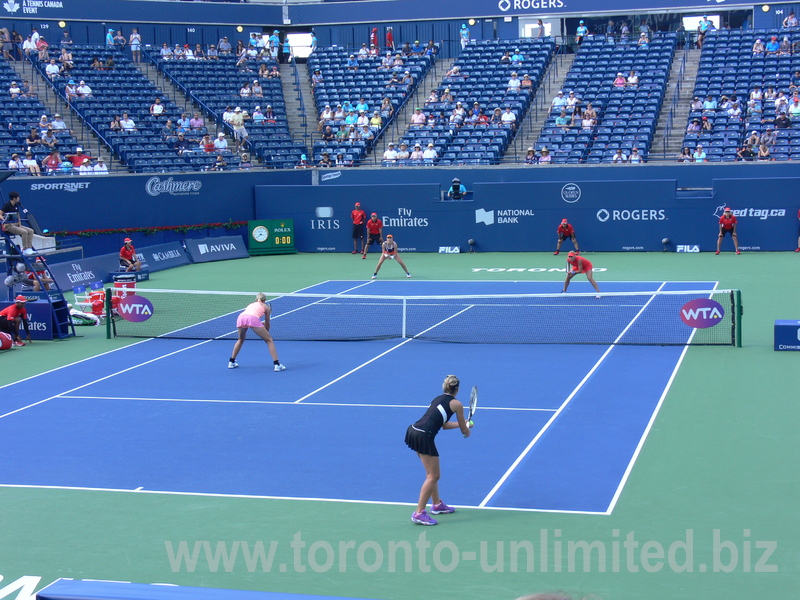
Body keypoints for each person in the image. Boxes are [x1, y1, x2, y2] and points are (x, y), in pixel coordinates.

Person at [405, 374, 471, 526]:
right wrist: (467, 430)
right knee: (434, 476)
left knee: (431, 474)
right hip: (424, 436)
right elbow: (463, 431)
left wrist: (464, 423)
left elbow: (444, 424)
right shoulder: (457, 404)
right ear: (457, 389)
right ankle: (419, 513)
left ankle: (436, 505)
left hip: (413, 431)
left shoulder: (438, 399)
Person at [228, 293, 285, 371]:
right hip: (253, 319)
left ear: (256, 299)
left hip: (241, 318)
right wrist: (266, 331)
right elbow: (267, 325)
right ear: (264, 300)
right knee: (269, 340)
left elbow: (250, 318)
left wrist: (260, 325)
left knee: (240, 339)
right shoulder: (266, 307)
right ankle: (277, 364)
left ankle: (231, 362)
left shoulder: (250, 304)